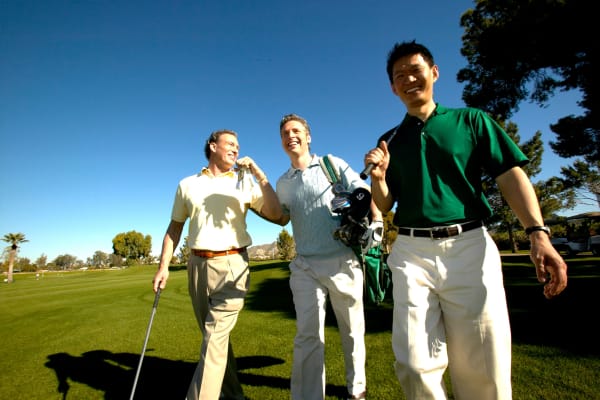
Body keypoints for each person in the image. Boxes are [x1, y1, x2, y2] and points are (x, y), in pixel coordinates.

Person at [363, 40, 568, 400]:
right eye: (400, 76)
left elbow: (510, 175)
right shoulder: (389, 140)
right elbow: (386, 202)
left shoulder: (471, 120)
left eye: (416, 70)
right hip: (411, 252)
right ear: (393, 88)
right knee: (413, 363)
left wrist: (538, 233)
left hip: (470, 246)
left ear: (434, 73)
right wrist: (379, 178)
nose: (409, 79)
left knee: (484, 365)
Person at [152, 129, 282, 400]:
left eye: (238, 145)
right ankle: (234, 395)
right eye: (230, 144)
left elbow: (278, 215)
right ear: (213, 146)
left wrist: (259, 174)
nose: (236, 149)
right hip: (196, 267)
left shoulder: (243, 182)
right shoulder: (187, 184)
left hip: (232, 265)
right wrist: (163, 266)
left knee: (214, 338)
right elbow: (175, 228)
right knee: (214, 340)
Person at [272, 113, 383, 400]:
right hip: (305, 265)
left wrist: (351, 201)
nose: (290, 136)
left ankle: (356, 390)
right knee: (307, 335)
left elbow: (363, 192)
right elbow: (281, 216)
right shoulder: (283, 182)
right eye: (285, 133)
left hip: (343, 261)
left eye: (296, 130)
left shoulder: (332, 164)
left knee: (352, 331)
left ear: (308, 137)